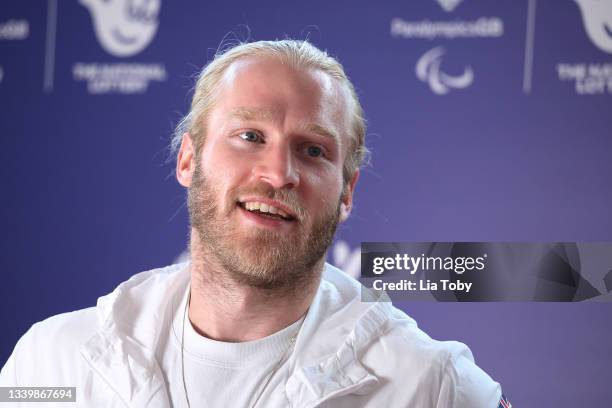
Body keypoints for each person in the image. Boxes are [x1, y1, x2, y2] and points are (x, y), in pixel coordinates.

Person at [0, 40, 508, 407]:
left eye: (312, 150)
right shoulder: (50, 364)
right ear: (188, 160)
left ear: (347, 192)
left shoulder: (433, 386)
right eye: (249, 135)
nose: (278, 174)